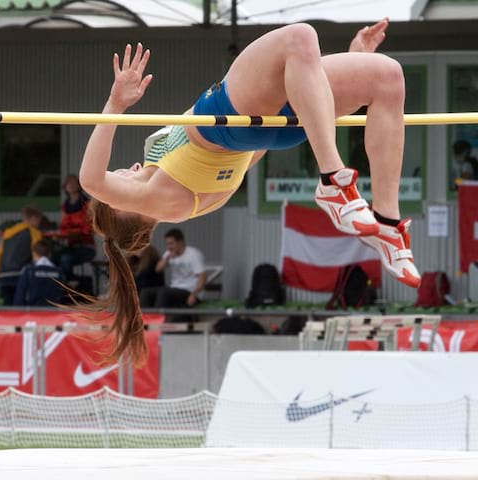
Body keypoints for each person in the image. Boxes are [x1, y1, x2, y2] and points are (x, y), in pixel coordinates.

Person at [78, 19, 421, 363]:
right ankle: (333, 180)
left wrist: (349, 63)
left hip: (270, 128)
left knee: (387, 77)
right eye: (118, 179)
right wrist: (115, 104)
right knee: (299, 37)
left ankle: (387, 219)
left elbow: (255, 148)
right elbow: (91, 180)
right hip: (227, 116)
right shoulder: (159, 200)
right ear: (120, 203)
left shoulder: (186, 192)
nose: (122, 170)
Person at [139, 229, 205, 311]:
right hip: (174, 289)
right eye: (167, 244)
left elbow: (202, 277)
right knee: (146, 292)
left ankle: (157, 320)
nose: (169, 247)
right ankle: (144, 321)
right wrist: (167, 258)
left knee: (164, 292)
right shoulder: (169, 253)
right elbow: (158, 269)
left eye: (171, 243)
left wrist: (194, 294)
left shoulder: (193, 254)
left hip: (189, 291)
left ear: (180, 242)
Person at [0, 206, 44, 305]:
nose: (39, 224)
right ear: (33, 218)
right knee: (20, 307)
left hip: (4, 274)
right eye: (39, 221)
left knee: (8, 305)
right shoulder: (33, 231)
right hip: (20, 274)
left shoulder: (8, 233)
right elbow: (38, 253)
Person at [55, 174, 96, 280]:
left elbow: (90, 226)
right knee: (53, 257)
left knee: (65, 259)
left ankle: (72, 283)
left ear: (79, 185)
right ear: (65, 187)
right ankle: (64, 285)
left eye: (73, 183)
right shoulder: (65, 205)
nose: (71, 186)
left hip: (86, 246)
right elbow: (63, 226)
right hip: (71, 246)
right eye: (68, 184)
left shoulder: (86, 202)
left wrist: (74, 232)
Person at [14, 241, 65, 306]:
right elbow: (63, 295)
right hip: (54, 312)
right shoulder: (59, 272)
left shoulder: (29, 271)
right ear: (50, 254)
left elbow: (20, 295)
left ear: (34, 253)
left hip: (33, 312)